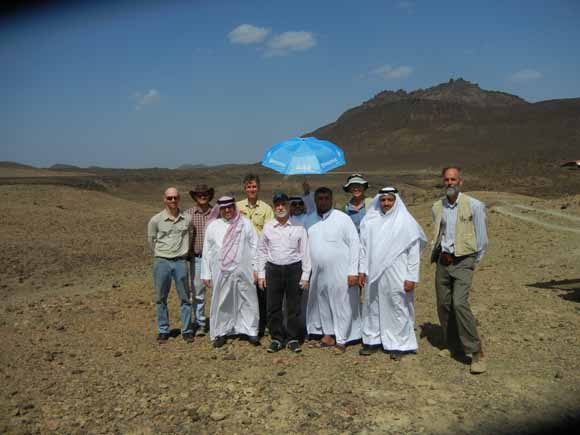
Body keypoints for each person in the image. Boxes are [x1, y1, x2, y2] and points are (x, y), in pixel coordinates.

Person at [358, 187, 427, 359]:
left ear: (396, 201)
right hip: (373, 272)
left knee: (397, 306)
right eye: (383, 200)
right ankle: (373, 340)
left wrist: (411, 277)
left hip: (398, 272)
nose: (386, 203)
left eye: (390, 200)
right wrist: (362, 270)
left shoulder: (406, 222)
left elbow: (413, 253)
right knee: (372, 305)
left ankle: (399, 344)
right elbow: (364, 249)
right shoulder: (370, 221)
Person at [431, 167, 488, 374]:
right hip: (443, 261)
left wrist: (473, 260)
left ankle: (476, 351)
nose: (449, 182)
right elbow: (438, 232)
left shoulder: (474, 205)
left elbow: (482, 238)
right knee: (444, 304)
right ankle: (453, 345)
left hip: (464, 260)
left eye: (453, 179)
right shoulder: (438, 206)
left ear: (460, 182)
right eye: (446, 179)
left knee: (460, 303)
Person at [304, 187, 361, 352]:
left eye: (326, 198)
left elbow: (355, 243)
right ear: (315, 201)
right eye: (319, 199)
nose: (323, 201)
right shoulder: (310, 220)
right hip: (319, 272)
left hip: (341, 271)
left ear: (331, 199)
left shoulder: (343, 218)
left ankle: (342, 338)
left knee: (341, 303)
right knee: (323, 302)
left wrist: (353, 271)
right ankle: (328, 334)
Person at [201, 196, 260, 348]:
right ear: (219, 210)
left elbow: (255, 246)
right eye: (224, 208)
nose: (227, 210)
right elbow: (207, 251)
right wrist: (206, 273)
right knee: (221, 301)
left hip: (244, 270)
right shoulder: (213, 226)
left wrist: (256, 268)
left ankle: (251, 330)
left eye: (230, 207)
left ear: (234, 207)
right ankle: (221, 332)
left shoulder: (245, 224)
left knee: (248, 298)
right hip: (221, 271)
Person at [258, 192, 311, 353]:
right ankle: (277, 338)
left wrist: (306, 275)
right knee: (273, 306)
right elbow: (261, 251)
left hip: (293, 269)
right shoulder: (268, 227)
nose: (280, 208)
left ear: (288, 206)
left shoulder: (298, 226)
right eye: (277, 205)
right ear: (274, 207)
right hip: (273, 270)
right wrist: (261, 274)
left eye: (283, 204)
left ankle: (292, 337)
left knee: (293, 306)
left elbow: (305, 252)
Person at [147, 187, 194, 343]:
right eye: (169, 198)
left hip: (180, 262)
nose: (172, 201)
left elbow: (190, 235)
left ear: (179, 198)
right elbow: (151, 241)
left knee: (185, 298)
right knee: (161, 298)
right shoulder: (156, 220)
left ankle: (186, 330)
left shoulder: (187, 219)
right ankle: (163, 330)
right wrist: (161, 255)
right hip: (162, 262)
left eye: (175, 198)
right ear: (164, 199)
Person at [237, 174, 274, 337]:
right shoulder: (237, 207)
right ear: (244, 189)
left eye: (254, 186)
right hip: (241, 254)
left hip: (260, 255)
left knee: (261, 289)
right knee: (244, 289)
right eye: (249, 187)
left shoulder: (266, 209)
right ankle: (243, 323)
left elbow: (270, 232)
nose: (251, 189)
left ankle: (263, 323)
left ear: (258, 188)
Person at [185, 184, 214, 336]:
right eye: (199, 194)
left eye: (205, 194)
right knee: (198, 292)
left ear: (209, 195)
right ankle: (200, 322)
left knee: (218, 291)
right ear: (195, 196)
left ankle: (219, 322)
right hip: (196, 258)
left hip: (215, 260)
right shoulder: (188, 214)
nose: (202, 196)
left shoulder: (217, 213)